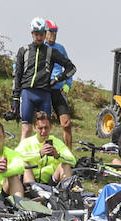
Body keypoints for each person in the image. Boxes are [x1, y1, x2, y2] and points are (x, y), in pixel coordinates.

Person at [12, 18, 73, 141]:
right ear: (32, 34)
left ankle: (46, 158)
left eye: (41, 34)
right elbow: (17, 74)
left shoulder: (53, 51)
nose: (39, 37)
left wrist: (57, 79)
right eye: (36, 34)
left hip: (45, 93)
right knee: (27, 129)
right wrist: (15, 98)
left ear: (45, 34)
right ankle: (22, 159)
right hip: (27, 92)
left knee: (44, 130)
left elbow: (71, 68)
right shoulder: (23, 50)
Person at [16, 110, 75, 185]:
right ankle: (33, 190)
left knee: (65, 165)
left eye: (46, 128)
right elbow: (15, 157)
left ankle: (65, 192)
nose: (43, 131)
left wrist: (58, 156)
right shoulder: (27, 142)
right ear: (34, 128)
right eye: (40, 128)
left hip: (51, 182)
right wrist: (39, 154)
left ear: (51, 127)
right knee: (25, 164)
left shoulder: (57, 142)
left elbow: (73, 160)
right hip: (31, 181)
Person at [43, 21, 75, 149]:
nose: (54, 35)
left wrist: (68, 84)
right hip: (43, 89)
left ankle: (69, 155)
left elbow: (70, 67)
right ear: (44, 32)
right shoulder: (39, 47)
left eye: (55, 32)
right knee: (44, 124)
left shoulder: (60, 48)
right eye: (51, 32)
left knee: (66, 123)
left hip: (57, 89)